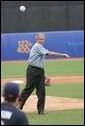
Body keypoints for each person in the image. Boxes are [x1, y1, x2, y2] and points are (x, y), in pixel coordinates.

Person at [18, 33, 69, 115]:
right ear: (36, 39)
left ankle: (41, 110)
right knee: (28, 89)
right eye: (40, 39)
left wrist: (45, 76)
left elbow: (40, 64)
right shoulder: (37, 46)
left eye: (43, 39)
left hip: (39, 71)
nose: (41, 40)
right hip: (33, 71)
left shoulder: (40, 47)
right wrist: (62, 54)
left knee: (41, 91)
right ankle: (18, 107)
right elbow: (49, 53)